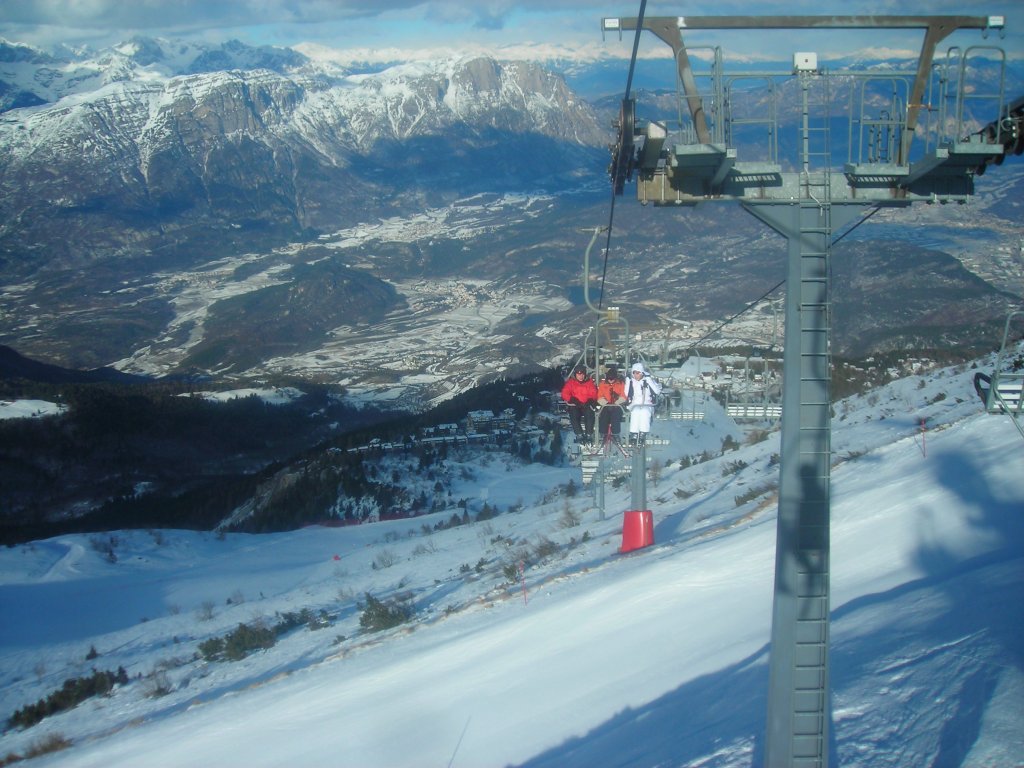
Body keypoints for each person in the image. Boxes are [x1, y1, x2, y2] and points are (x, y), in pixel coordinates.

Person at [624, 362, 662, 447]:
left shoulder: (647, 381)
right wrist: (627, 380)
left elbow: (657, 391)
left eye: (638, 373)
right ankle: (634, 433)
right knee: (636, 412)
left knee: (644, 412)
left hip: (647, 403)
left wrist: (648, 380)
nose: (636, 375)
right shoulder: (631, 381)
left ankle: (642, 433)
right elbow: (626, 393)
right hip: (635, 403)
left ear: (642, 373)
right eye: (634, 373)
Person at [561, 365, 598, 446]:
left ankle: (589, 434)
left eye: (582, 374)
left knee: (590, 414)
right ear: (575, 374)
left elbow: (594, 393)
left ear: (585, 374)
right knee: (573, 415)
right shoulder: (571, 383)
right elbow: (565, 393)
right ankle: (579, 434)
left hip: (586, 404)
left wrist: (591, 400)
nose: (581, 376)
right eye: (578, 374)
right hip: (576, 405)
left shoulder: (589, 382)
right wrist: (572, 399)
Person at [596, 365, 627, 444]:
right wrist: (606, 403)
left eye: (612, 378)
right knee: (603, 415)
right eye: (609, 378)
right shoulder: (603, 384)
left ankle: (616, 433)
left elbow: (623, 396)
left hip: (617, 405)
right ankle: (603, 433)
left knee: (616, 416)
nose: (610, 380)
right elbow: (599, 396)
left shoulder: (620, 384)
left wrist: (616, 403)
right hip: (606, 405)